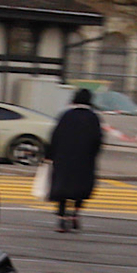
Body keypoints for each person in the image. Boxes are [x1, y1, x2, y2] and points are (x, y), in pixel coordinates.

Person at [44, 86, 103, 231]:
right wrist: (92, 156)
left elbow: (54, 136)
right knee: (80, 188)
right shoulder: (93, 118)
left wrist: (50, 155)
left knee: (62, 187)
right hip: (84, 160)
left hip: (63, 159)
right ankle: (75, 215)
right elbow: (98, 140)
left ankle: (62, 218)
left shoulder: (66, 116)